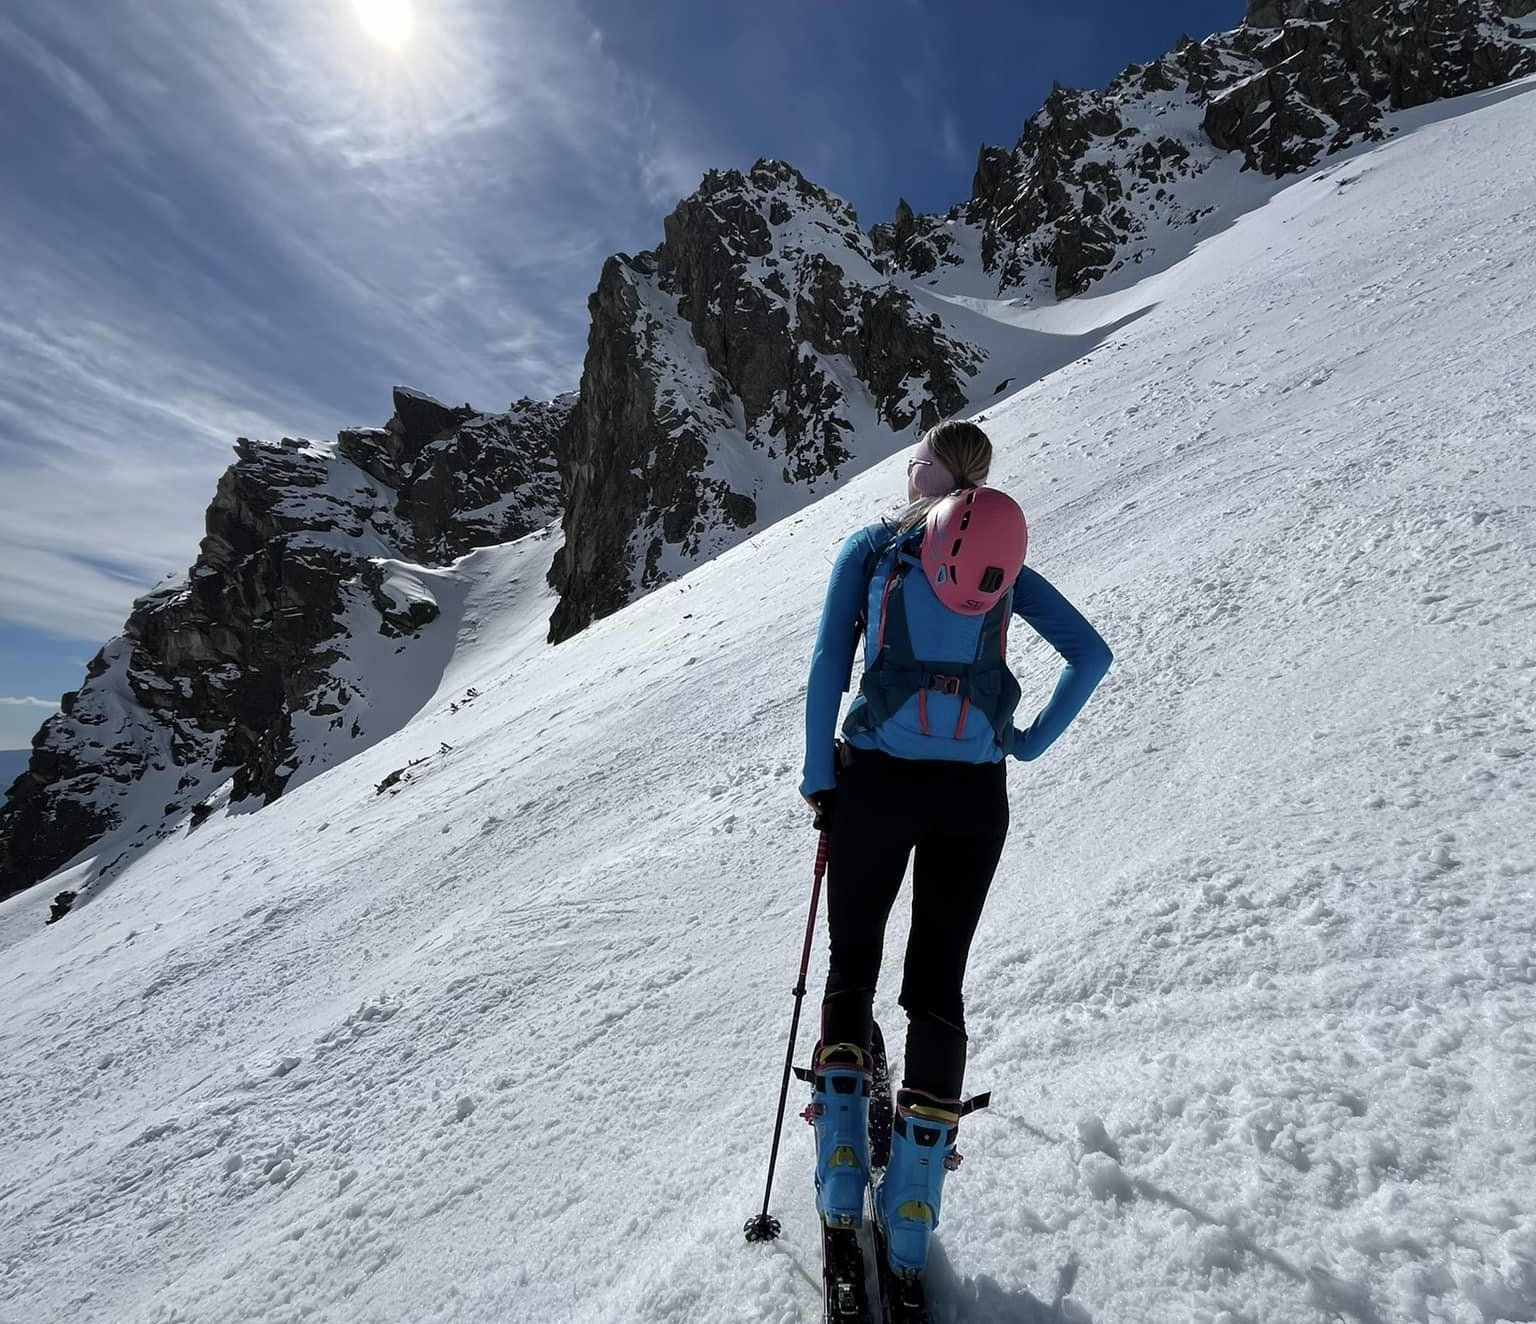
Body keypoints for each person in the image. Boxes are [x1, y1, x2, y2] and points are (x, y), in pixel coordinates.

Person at [799, 418, 1112, 1277]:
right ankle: (908, 1212)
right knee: (937, 987)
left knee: (852, 962)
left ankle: (836, 1176)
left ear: (928, 472)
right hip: (975, 795)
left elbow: (830, 660)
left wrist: (817, 772)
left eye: (919, 459)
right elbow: (1092, 654)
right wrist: (1029, 741)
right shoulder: (999, 564)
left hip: (876, 782)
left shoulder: (873, 548)